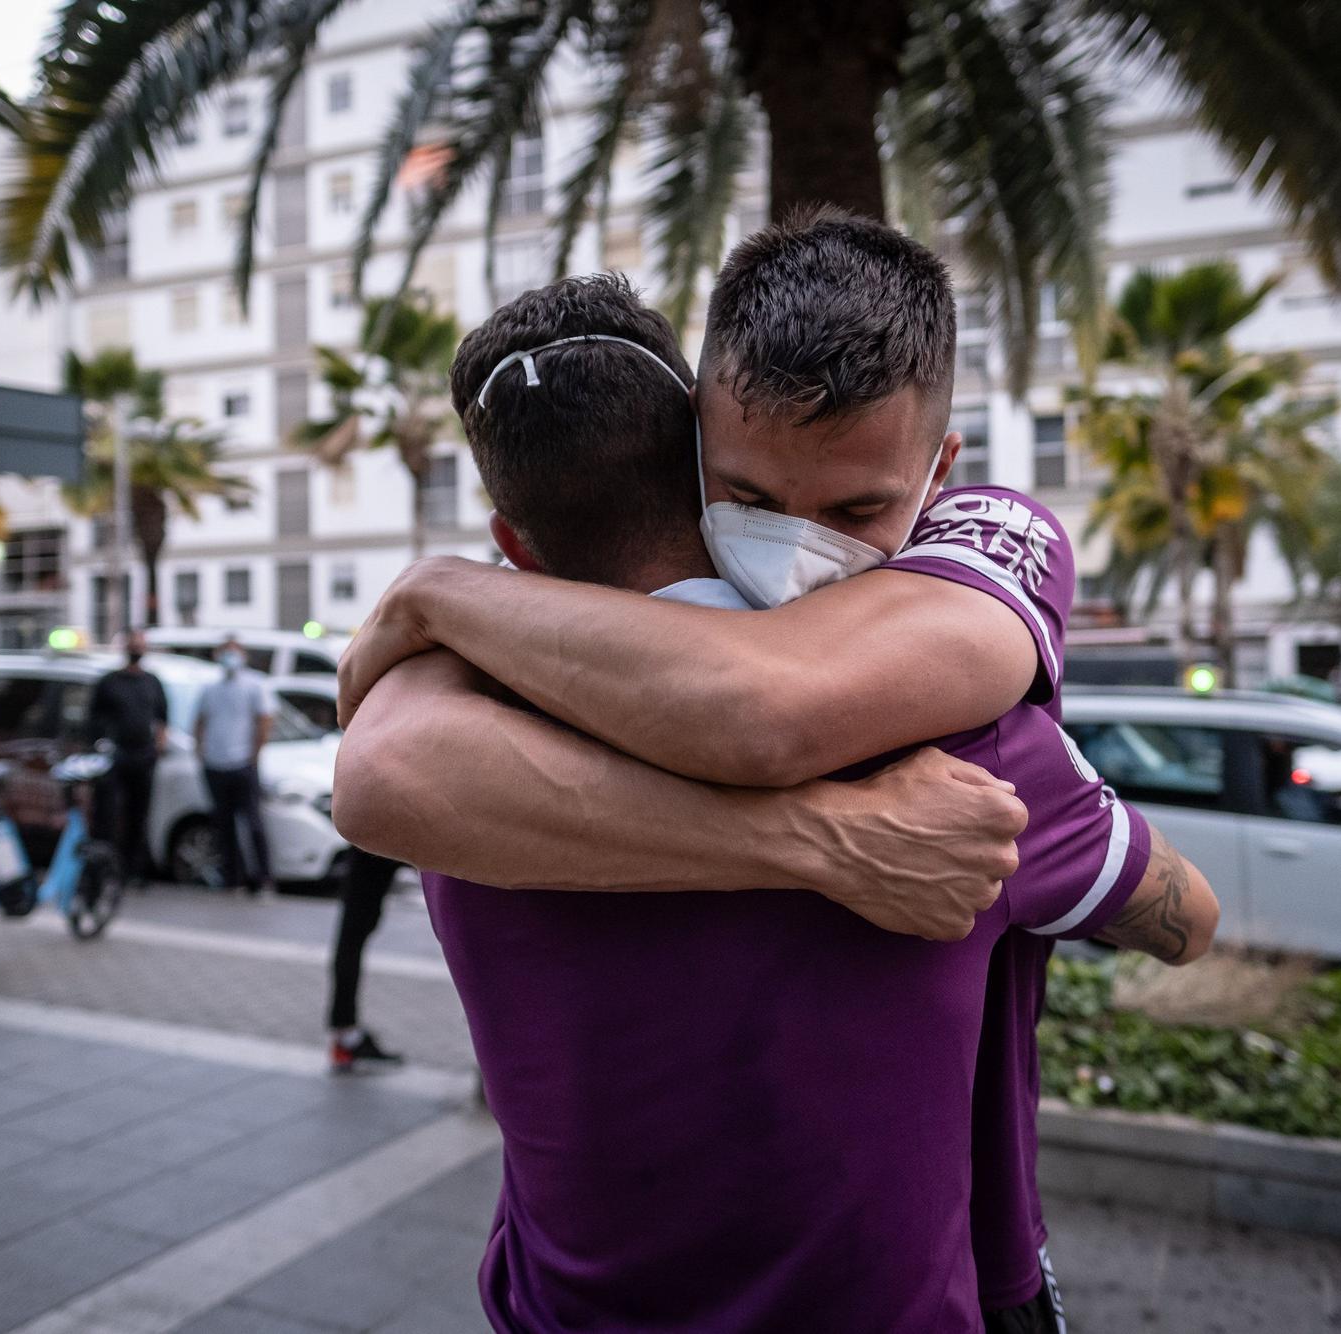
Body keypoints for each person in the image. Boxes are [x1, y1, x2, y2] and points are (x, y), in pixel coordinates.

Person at [335, 265, 1217, 1329]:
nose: (798, 545)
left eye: (852, 507)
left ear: (512, 543)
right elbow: (1181, 916)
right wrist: (823, 839)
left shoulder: (465, 748)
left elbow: (381, 769)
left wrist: (434, 594)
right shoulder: (964, 745)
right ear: (696, 462)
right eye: (752, 502)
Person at [192, 635, 276, 896]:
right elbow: (200, 721)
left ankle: (262, 879)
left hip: (242, 763)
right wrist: (200, 751)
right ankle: (232, 878)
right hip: (216, 763)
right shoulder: (210, 688)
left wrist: (254, 754)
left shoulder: (254, 684)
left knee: (253, 824)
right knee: (223, 825)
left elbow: (264, 720)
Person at [88, 628, 167, 888]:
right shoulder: (109, 682)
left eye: (140, 644)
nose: (136, 649)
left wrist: (158, 747)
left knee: (138, 815)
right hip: (114, 757)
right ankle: (104, 870)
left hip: (142, 757)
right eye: (133, 644)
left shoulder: (152, 682)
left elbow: (162, 719)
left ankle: (134, 870)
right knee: (108, 816)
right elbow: (93, 718)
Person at [326, 845, 406, 1071]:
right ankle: (346, 1035)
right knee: (353, 933)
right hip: (383, 827)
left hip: (377, 829)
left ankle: (345, 1033)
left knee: (354, 931)